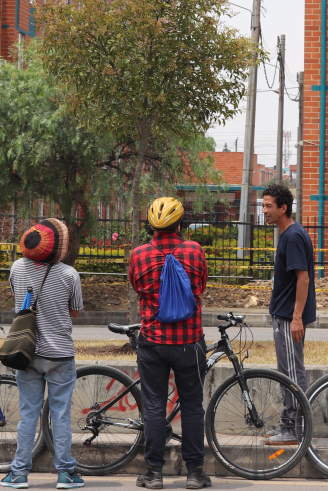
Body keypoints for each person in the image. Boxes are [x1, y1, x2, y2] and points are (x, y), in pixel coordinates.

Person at [127, 197, 210, 490]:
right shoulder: (195, 251)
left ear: (151, 225)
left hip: (153, 342)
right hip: (190, 341)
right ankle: (195, 473)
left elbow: (137, 287)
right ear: (180, 223)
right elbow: (200, 287)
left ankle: (154, 473)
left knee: (153, 406)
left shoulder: (139, 255)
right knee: (192, 406)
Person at [0, 218, 85, 491]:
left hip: (26, 352)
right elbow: (74, 310)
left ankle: (19, 474)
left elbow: (18, 303)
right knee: (60, 415)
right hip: (60, 354)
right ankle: (65, 474)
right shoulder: (69, 275)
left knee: (28, 414)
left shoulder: (16, 268)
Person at [259, 183, 315, 445]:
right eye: (263, 205)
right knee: (287, 371)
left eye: (269, 206)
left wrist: (296, 317)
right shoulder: (290, 234)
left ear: (284, 207)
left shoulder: (292, 236)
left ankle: (293, 429)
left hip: (287, 316)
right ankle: (287, 425)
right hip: (284, 314)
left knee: (292, 374)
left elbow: (302, 280)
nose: (264, 210)